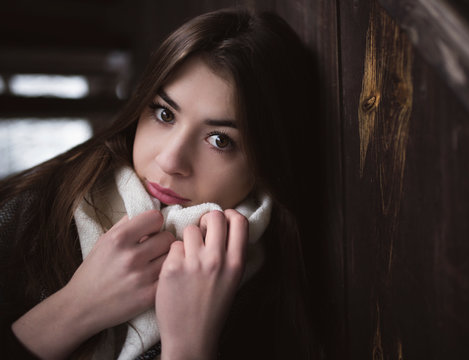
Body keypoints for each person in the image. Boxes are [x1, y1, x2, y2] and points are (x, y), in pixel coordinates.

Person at [0, 8, 322, 360]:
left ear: (267, 163)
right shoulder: (37, 207)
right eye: (165, 114)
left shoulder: (279, 304)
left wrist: (188, 345)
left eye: (219, 140)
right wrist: (79, 305)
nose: (170, 161)